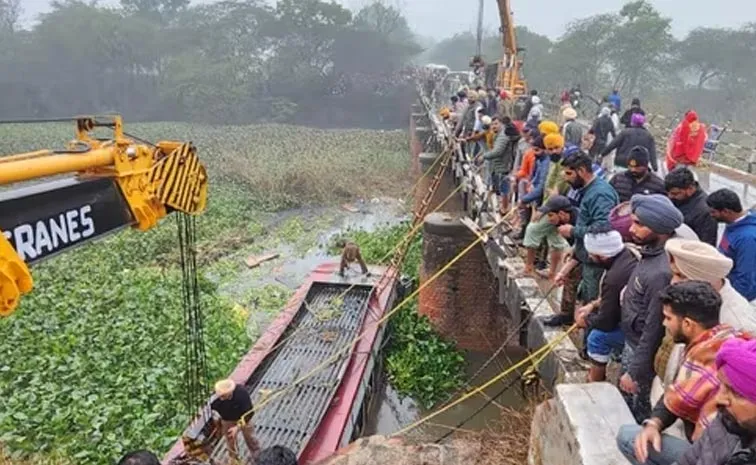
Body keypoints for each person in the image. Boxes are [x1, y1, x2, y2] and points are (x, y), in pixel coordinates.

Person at [617, 281, 749, 465]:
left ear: (687, 324)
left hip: (715, 452)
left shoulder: (703, 358)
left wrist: (653, 424)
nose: (664, 323)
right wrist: (654, 423)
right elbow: (676, 394)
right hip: (715, 444)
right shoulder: (725, 336)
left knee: (628, 437)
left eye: (668, 318)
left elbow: (675, 399)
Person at [653, 239, 756, 417]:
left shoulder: (738, 322)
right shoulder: (686, 301)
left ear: (703, 280)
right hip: (671, 397)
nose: (673, 281)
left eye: (681, 276)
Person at [619, 194, 684, 422]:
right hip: (633, 343)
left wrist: (635, 372)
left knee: (638, 407)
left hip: (640, 350)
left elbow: (654, 327)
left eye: (639, 224)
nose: (632, 228)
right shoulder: (651, 251)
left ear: (659, 229)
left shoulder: (661, 272)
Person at [544, 153, 619, 327]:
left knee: (590, 295)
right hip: (584, 250)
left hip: (596, 257)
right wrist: (577, 246)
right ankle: (566, 315)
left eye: (569, 174)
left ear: (582, 171)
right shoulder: (587, 191)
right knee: (569, 279)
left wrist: (573, 231)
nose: (566, 178)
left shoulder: (600, 194)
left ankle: (587, 339)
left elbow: (604, 227)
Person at [671, 338, 756, 465]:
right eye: (721, 385)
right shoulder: (728, 419)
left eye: (736, 393)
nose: (718, 399)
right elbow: (690, 458)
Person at [576, 226, 639, 382]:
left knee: (597, 337)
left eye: (592, 255)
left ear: (602, 256)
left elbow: (606, 323)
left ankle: (595, 382)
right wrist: (593, 305)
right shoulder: (629, 253)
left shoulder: (614, 278)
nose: (590, 257)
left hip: (638, 331)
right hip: (635, 315)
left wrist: (585, 321)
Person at [707, 189, 756, 302]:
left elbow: (746, 279)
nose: (711, 215)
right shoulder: (733, 225)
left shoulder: (747, 239)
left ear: (726, 212)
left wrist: (728, 301)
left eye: (713, 212)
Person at [665, 167, 719, 246]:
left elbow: (707, 245)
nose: (670, 196)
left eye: (675, 194)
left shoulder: (705, 212)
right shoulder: (677, 200)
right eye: (668, 193)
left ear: (690, 189)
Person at [210, 379, 261, 462]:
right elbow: (210, 412)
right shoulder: (215, 400)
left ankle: (257, 455)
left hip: (243, 418)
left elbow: (250, 413)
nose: (221, 398)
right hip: (227, 419)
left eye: (223, 396)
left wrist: (237, 427)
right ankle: (234, 458)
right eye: (220, 396)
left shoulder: (241, 393)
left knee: (250, 438)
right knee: (230, 440)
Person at [516, 136, 551, 240]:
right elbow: (534, 175)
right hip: (533, 191)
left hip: (540, 196)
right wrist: (531, 184)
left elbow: (541, 185)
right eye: (533, 149)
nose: (534, 152)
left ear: (544, 150)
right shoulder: (538, 159)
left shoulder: (546, 163)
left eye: (537, 150)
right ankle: (523, 232)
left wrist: (525, 199)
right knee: (527, 212)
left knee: (535, 221)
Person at [483, 116, 520, 213]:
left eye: (496, 124)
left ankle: (504, 208)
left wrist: (484, 156)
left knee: (504, 188)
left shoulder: (502, 137)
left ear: (501, 124)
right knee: (501, 188)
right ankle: (502, 206)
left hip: (503, 165)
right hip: (499, 165)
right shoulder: (498, 135)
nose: (493, 126)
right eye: (492, 124)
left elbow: (498, 151)